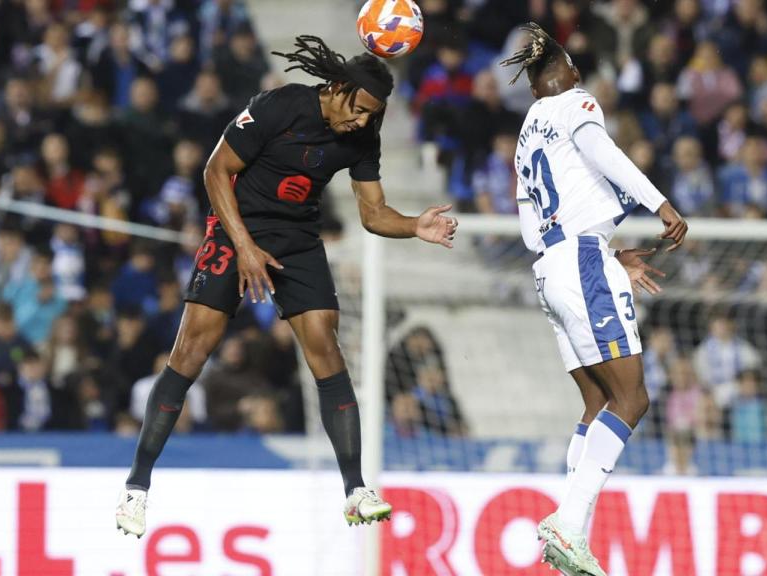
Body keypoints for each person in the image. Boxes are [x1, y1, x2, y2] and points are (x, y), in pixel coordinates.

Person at [115, 35, 457, 537]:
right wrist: (245, 247)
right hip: (237, 228)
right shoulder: (282, 105)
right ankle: (137, 487)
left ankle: (355, 490)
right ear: (339, 89)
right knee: (191, 351)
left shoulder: (365, 133)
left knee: (326, 345)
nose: (363, 121)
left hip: (296, 239)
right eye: (360, 109)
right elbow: (216, 171)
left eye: (373, 114)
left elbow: (373, 213)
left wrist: (413, 225)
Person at [499, 23, 687, 575]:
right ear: (574, 75)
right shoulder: (576, 103)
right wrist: (660, 203)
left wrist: (604, 252)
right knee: (632, 400)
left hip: (550, 267)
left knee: (596, 404)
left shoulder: (526, 136)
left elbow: (537, 219)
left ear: (532, 88)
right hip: (581, 262)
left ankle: (568, 536)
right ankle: (570, 522)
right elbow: (598, 150)